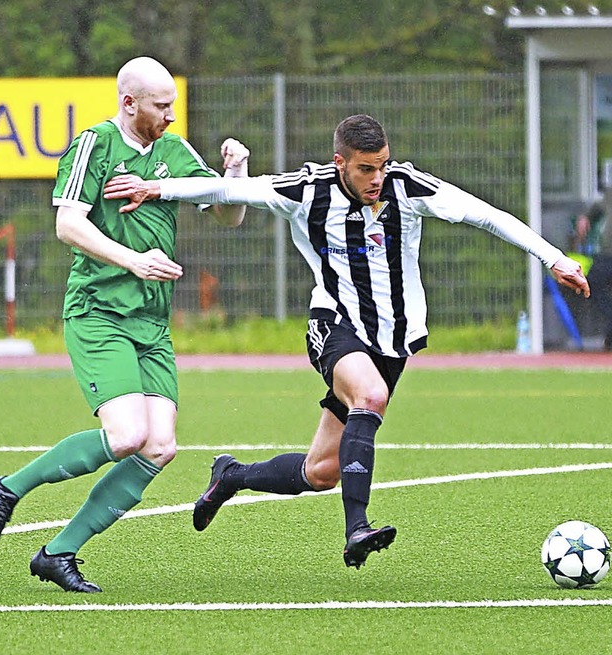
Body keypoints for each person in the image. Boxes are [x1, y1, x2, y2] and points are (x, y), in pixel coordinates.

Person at [103, 114, 590, 570]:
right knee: (370, 395)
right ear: (341, 163)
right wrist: (156, 188)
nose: (376, 178)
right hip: (333, 321)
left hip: (392, 340)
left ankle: (231, 475)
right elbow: (235, 189)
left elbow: (487, 215)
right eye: (364, 169)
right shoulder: (307, 189)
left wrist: (553, 258)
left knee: (321, 471)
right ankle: (357, 528)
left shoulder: (407, 187)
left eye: (381, 166)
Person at [0, 56, 250, 592]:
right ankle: (6, 488)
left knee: (159, 447)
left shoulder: (175, 151)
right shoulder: (94, 144)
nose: (171, 115)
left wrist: (235, 174)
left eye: (174, 105)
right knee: (127, 436)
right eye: (160, 106)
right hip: (99, 312)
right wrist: (132, 259)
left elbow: (228, 214)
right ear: (129, 103)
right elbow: (67, 224)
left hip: (151, 322)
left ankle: (58, 553)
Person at [569, 201, 612, 349]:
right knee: (592, 282)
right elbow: (598, 206)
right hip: (607, 255)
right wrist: (585, 217)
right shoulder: (610, 194)